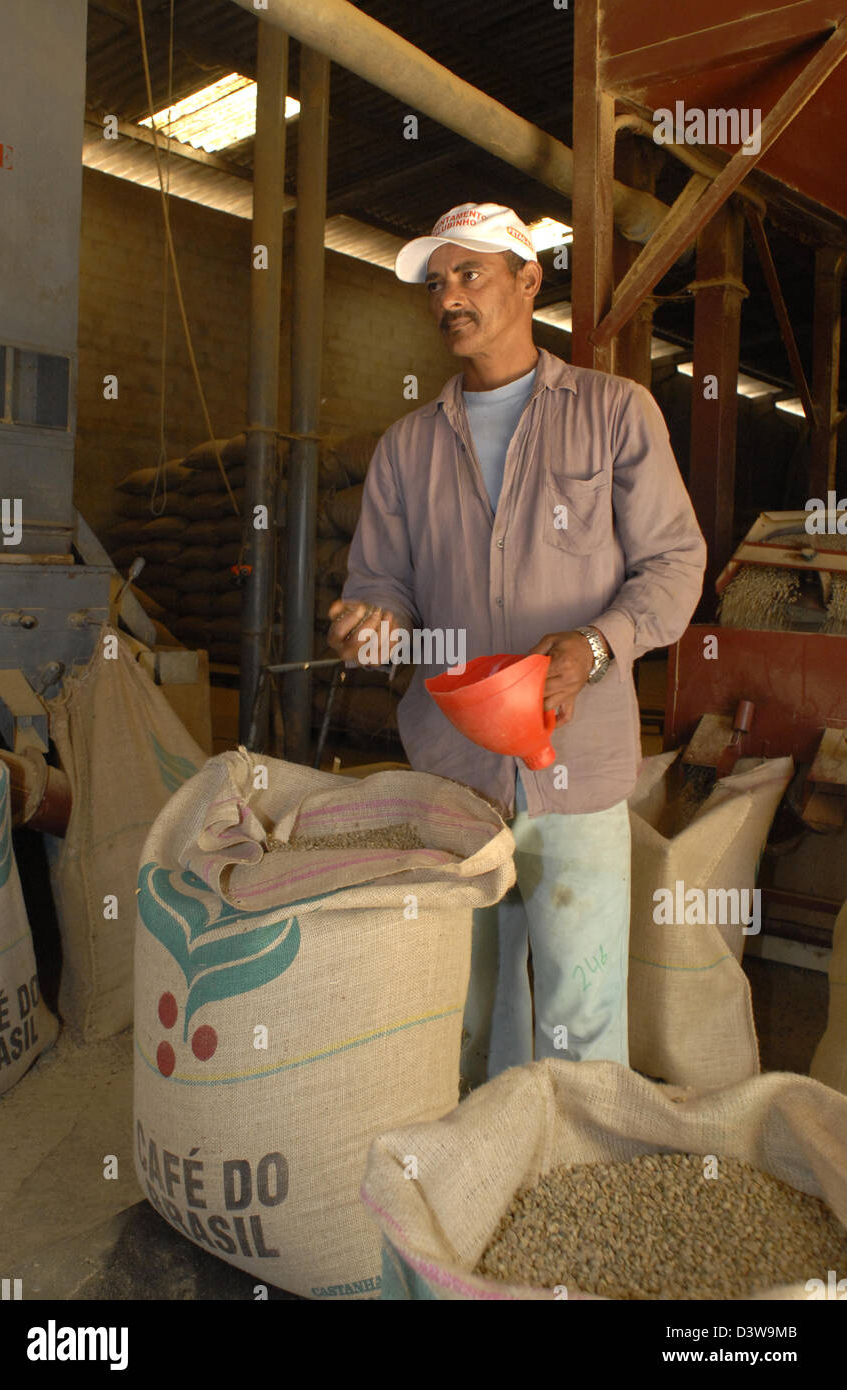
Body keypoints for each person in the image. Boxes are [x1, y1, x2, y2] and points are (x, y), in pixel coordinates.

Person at [327, 202, 706, 1084]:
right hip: (455, 771)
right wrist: (371, 625)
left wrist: (597, 646)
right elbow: (381, 586)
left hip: (573, 763)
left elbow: (675, 566)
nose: (449, 297)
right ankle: (479, 1180)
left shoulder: (615, 413)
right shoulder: (407, 447)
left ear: (529, 281)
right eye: (437, 282)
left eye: (469, 275)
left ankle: (571, 1183)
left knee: (579, 1007)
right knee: (465, 1008)